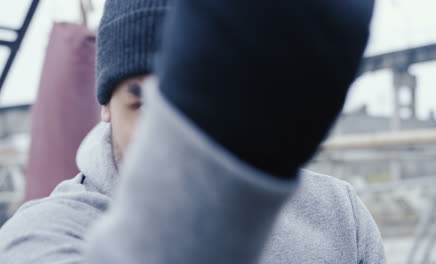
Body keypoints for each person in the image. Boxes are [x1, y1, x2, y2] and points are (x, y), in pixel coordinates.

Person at [0, 0, 385, 263]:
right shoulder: (40, 235)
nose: (162, 138)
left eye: (212, 102)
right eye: (145, 104)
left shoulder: (338, 211)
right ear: (105, 105)